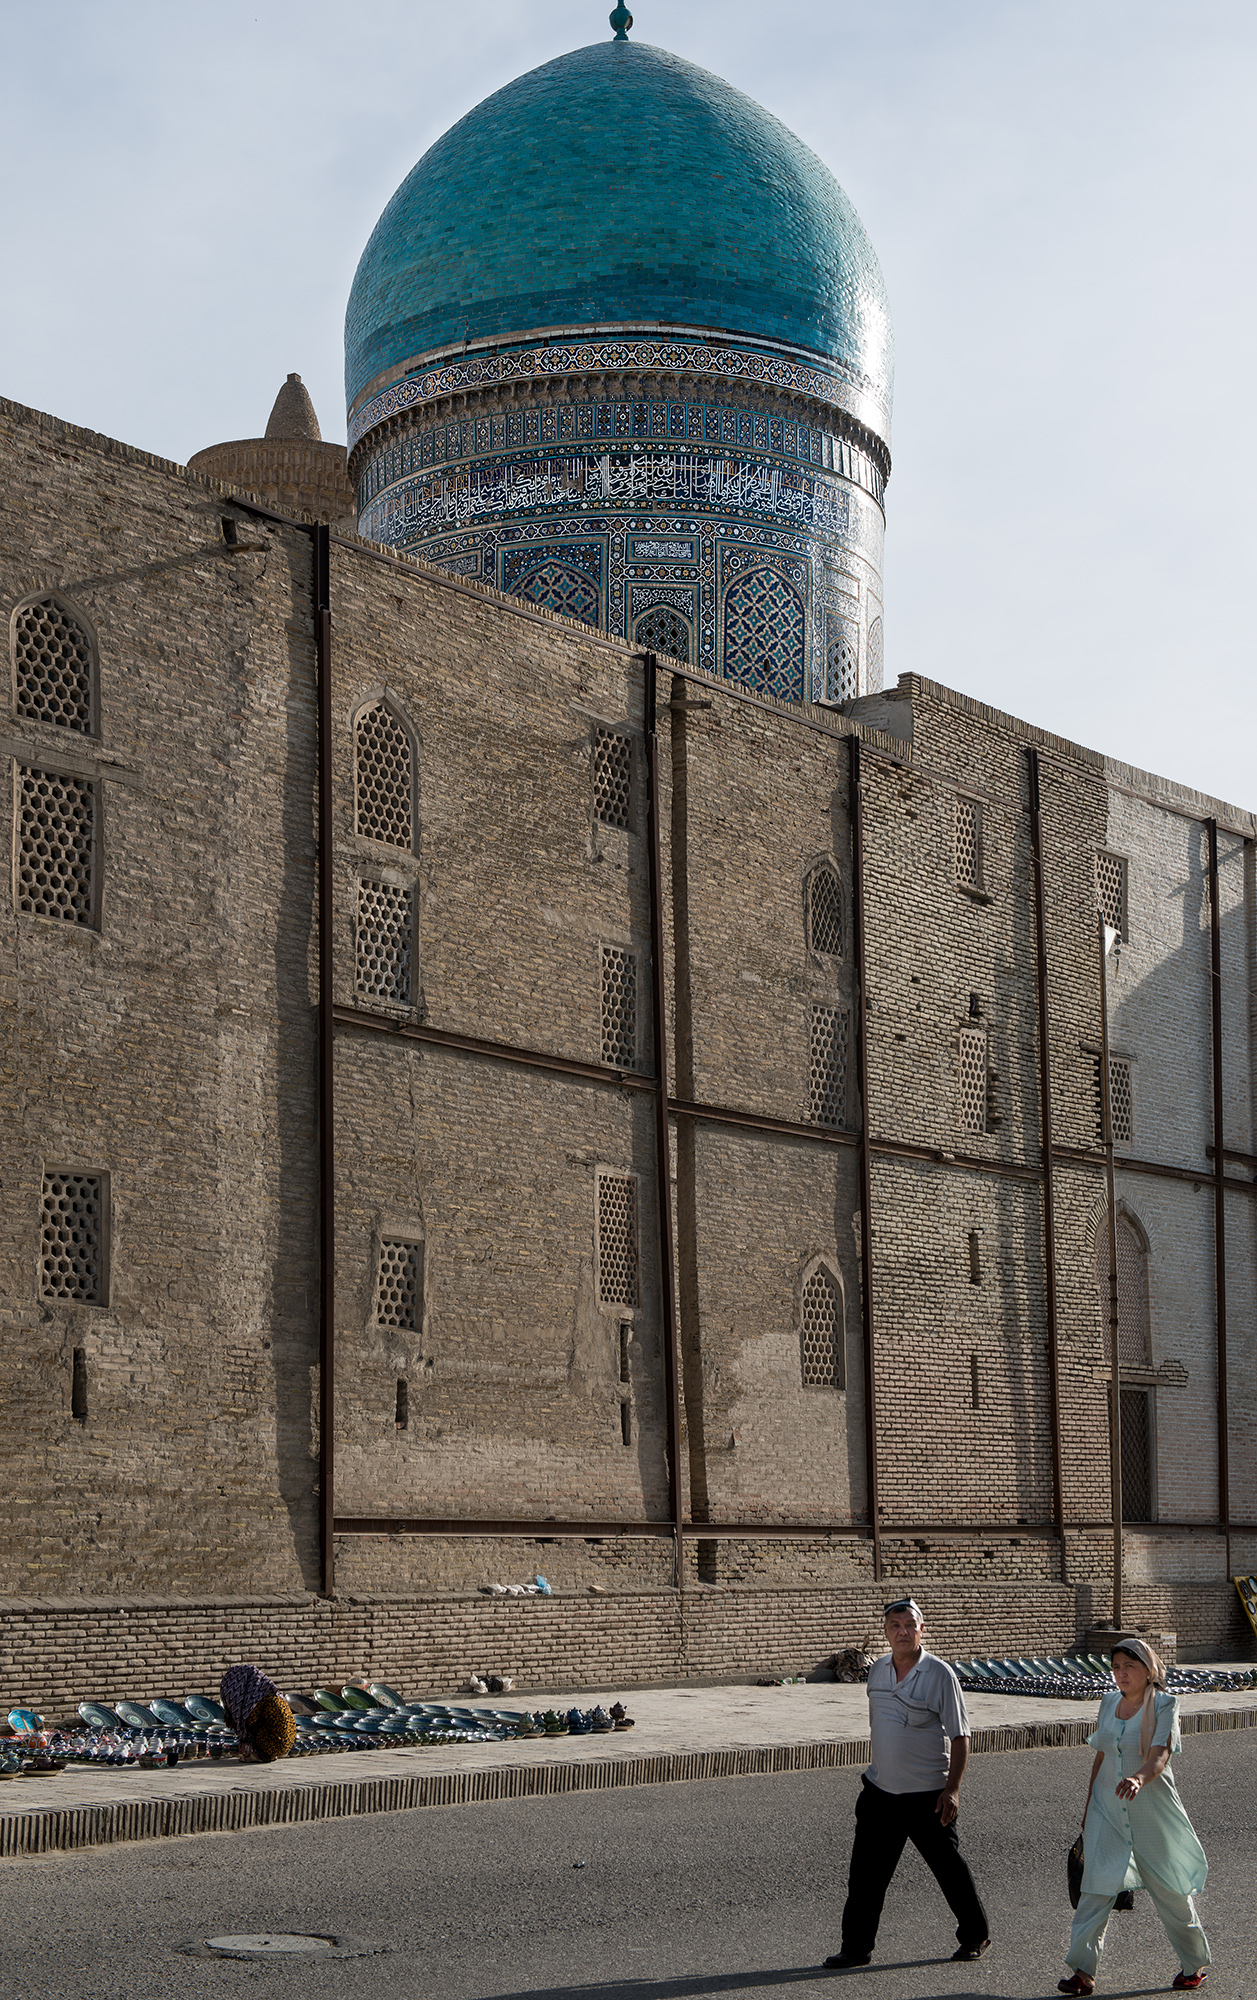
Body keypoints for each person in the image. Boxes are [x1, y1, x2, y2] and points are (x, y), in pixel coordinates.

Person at [825, 1598, 990, 1970]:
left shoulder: (939, 1674)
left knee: (949, 1870)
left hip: (927, 1797)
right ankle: (855, 1948)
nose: (903, 1632)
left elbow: (961, 1736)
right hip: (880, 1793)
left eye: (909, 1625)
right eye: (895, 1626)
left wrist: (953, 1789)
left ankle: (975, 1936)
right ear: (885, 1632)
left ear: (921, 1629)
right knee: (865, 1877)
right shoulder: (878, 1670)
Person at [1059, 1637, 1209, 1994]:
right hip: (1106, 1809)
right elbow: (1100, 1755)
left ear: (1148, 1670)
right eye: (1116, 1667)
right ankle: (1082, 1972)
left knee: (1170, 1890)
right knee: (1095, 1887)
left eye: (1130, 1666)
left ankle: (1194, 1964)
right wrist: (1088, 1808)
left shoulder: (1165, 1706)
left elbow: (1160, 1754)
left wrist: (1139, 1778)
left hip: (1150, 1811)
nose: (1121, 1674)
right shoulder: (1108, 1702)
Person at [220, 1663, 297, 1763]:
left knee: (249, 1726)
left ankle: (258, 1754)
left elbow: (248, 1726)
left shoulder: (254, 1703)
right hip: (287, 1744)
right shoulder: (269, 1693)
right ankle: (270, 1753)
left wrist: (243, 1741)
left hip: (277, 1744)